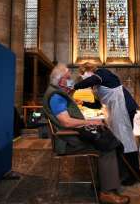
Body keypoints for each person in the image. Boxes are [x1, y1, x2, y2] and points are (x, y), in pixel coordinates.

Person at [42, 64, 130, 204]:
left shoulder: (56, 93)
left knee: (106, 140)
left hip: (71, 136)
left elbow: (68, 119)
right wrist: (91, 122)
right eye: (68, 79)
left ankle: (102, 181)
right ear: (60, 80)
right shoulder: (56, 96)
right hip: (68, 141)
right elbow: (66, 123)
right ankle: (106, 192)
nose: (71, 81)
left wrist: (88, 121)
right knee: (107, 148)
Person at [73, 62, 140, 186]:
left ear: (89, 70)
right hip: (115, 111)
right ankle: (122, 171)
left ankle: (135, 175)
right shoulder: (96, 86)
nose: (84, 77)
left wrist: (74, 86)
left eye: (84, 74)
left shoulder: (102, 73)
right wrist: (82, 102)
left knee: (126, 141)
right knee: (119, 141)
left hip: (124, 108)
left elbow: (92, 80)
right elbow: (98, 105)